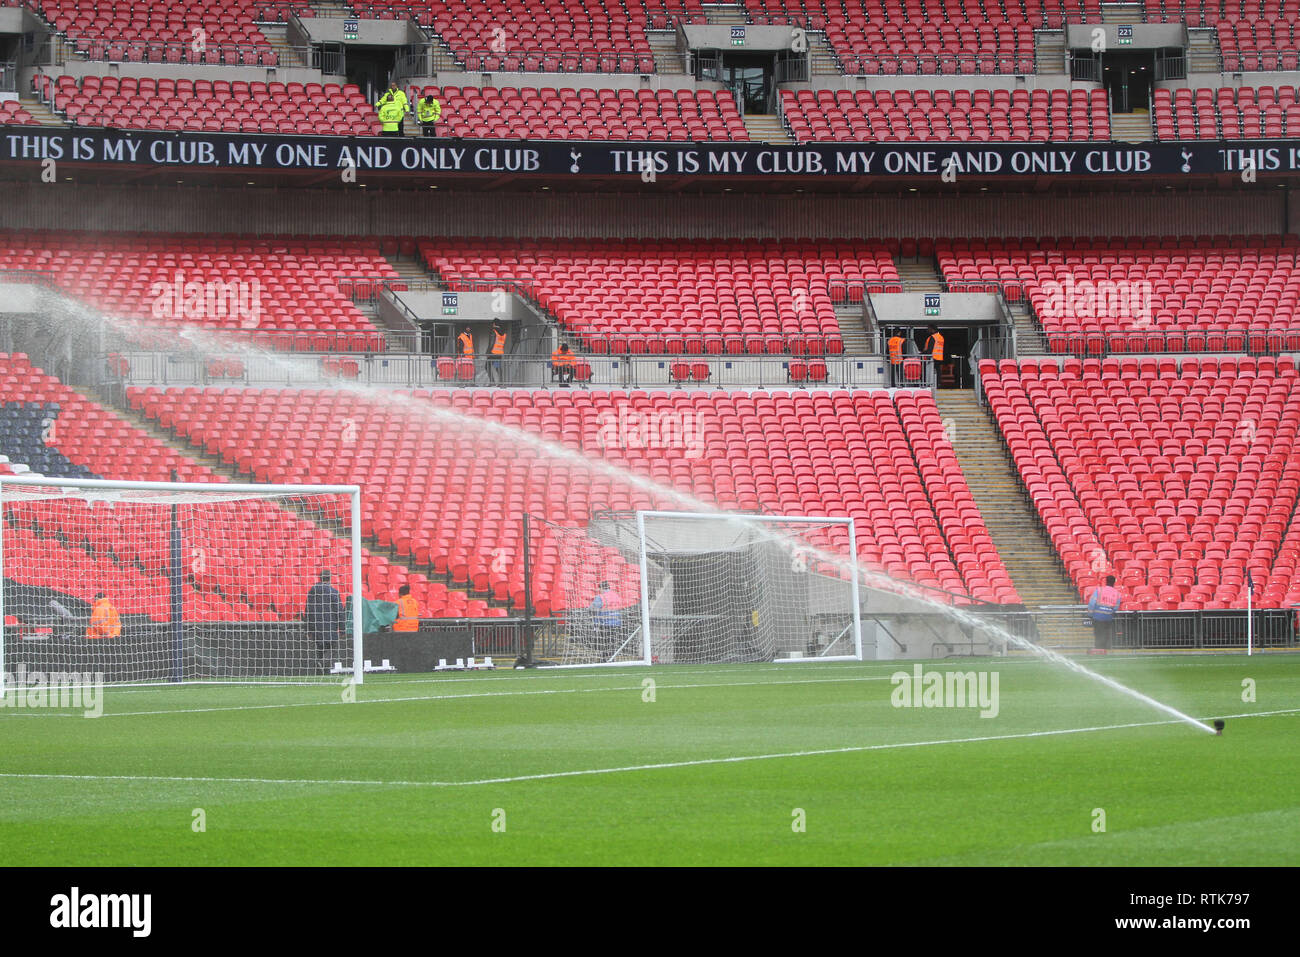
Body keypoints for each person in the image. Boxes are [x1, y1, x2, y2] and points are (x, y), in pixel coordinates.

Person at [304, 569, 346, 658]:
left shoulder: (312, 591)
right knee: (330, 650)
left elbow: (307, 611)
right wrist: (342, 629)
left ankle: (320, 664)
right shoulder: (334, 592)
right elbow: (339, 611)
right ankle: (323, 663)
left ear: (320, 578)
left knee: (319, 649)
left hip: (316, 628)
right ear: (330, 578)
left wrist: (307, 629)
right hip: (330, 628)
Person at [1087, 575, 1122, 650]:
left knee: (1098, 635)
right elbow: (1116, 608)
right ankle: (1106, 651)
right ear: (1114, 582)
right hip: (1108, 618)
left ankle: (1098, 650)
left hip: (1097, 617)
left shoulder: (1099, 590)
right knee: (1106, 635)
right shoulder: (1118, 594)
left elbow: (1092, 603)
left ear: (1106, 581)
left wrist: (1090, 614)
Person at [589, 580, 621, 651]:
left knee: (604, 644)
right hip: (617, 623)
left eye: (599, 589)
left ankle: (605, 659)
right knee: (612, 643)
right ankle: (612, 659)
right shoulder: (616, 595)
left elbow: (592, 608)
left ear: (601, 588)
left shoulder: (600, 597)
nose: (599, 590)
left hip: (605, 623)